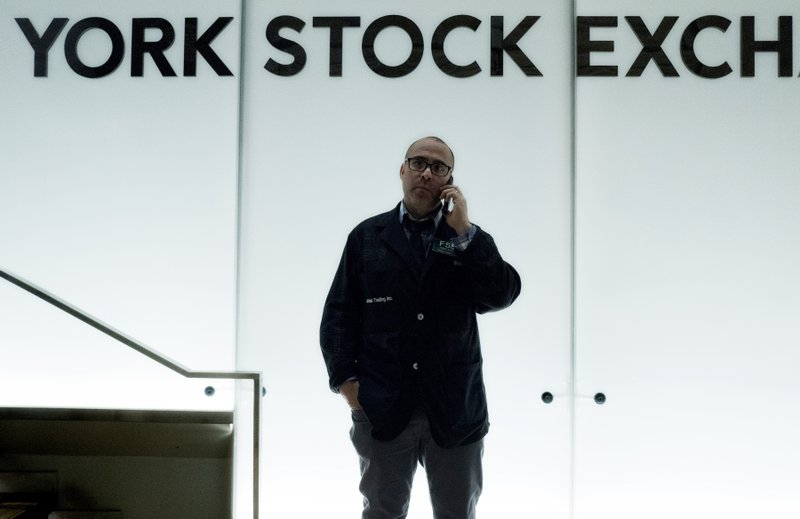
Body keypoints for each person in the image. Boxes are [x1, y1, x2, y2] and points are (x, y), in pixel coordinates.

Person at [320, 136, 521, 519]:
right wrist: (347, 383)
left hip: (454, 407)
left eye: (438, 167)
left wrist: (464, 232)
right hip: (382, 405)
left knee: (457, 513)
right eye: (418, 163)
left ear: (449, 180)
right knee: (382, 511)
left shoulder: (464, 239)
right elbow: (338, 315)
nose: (427, 173)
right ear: (402, 170)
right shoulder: (367, 237)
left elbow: (500, 295)